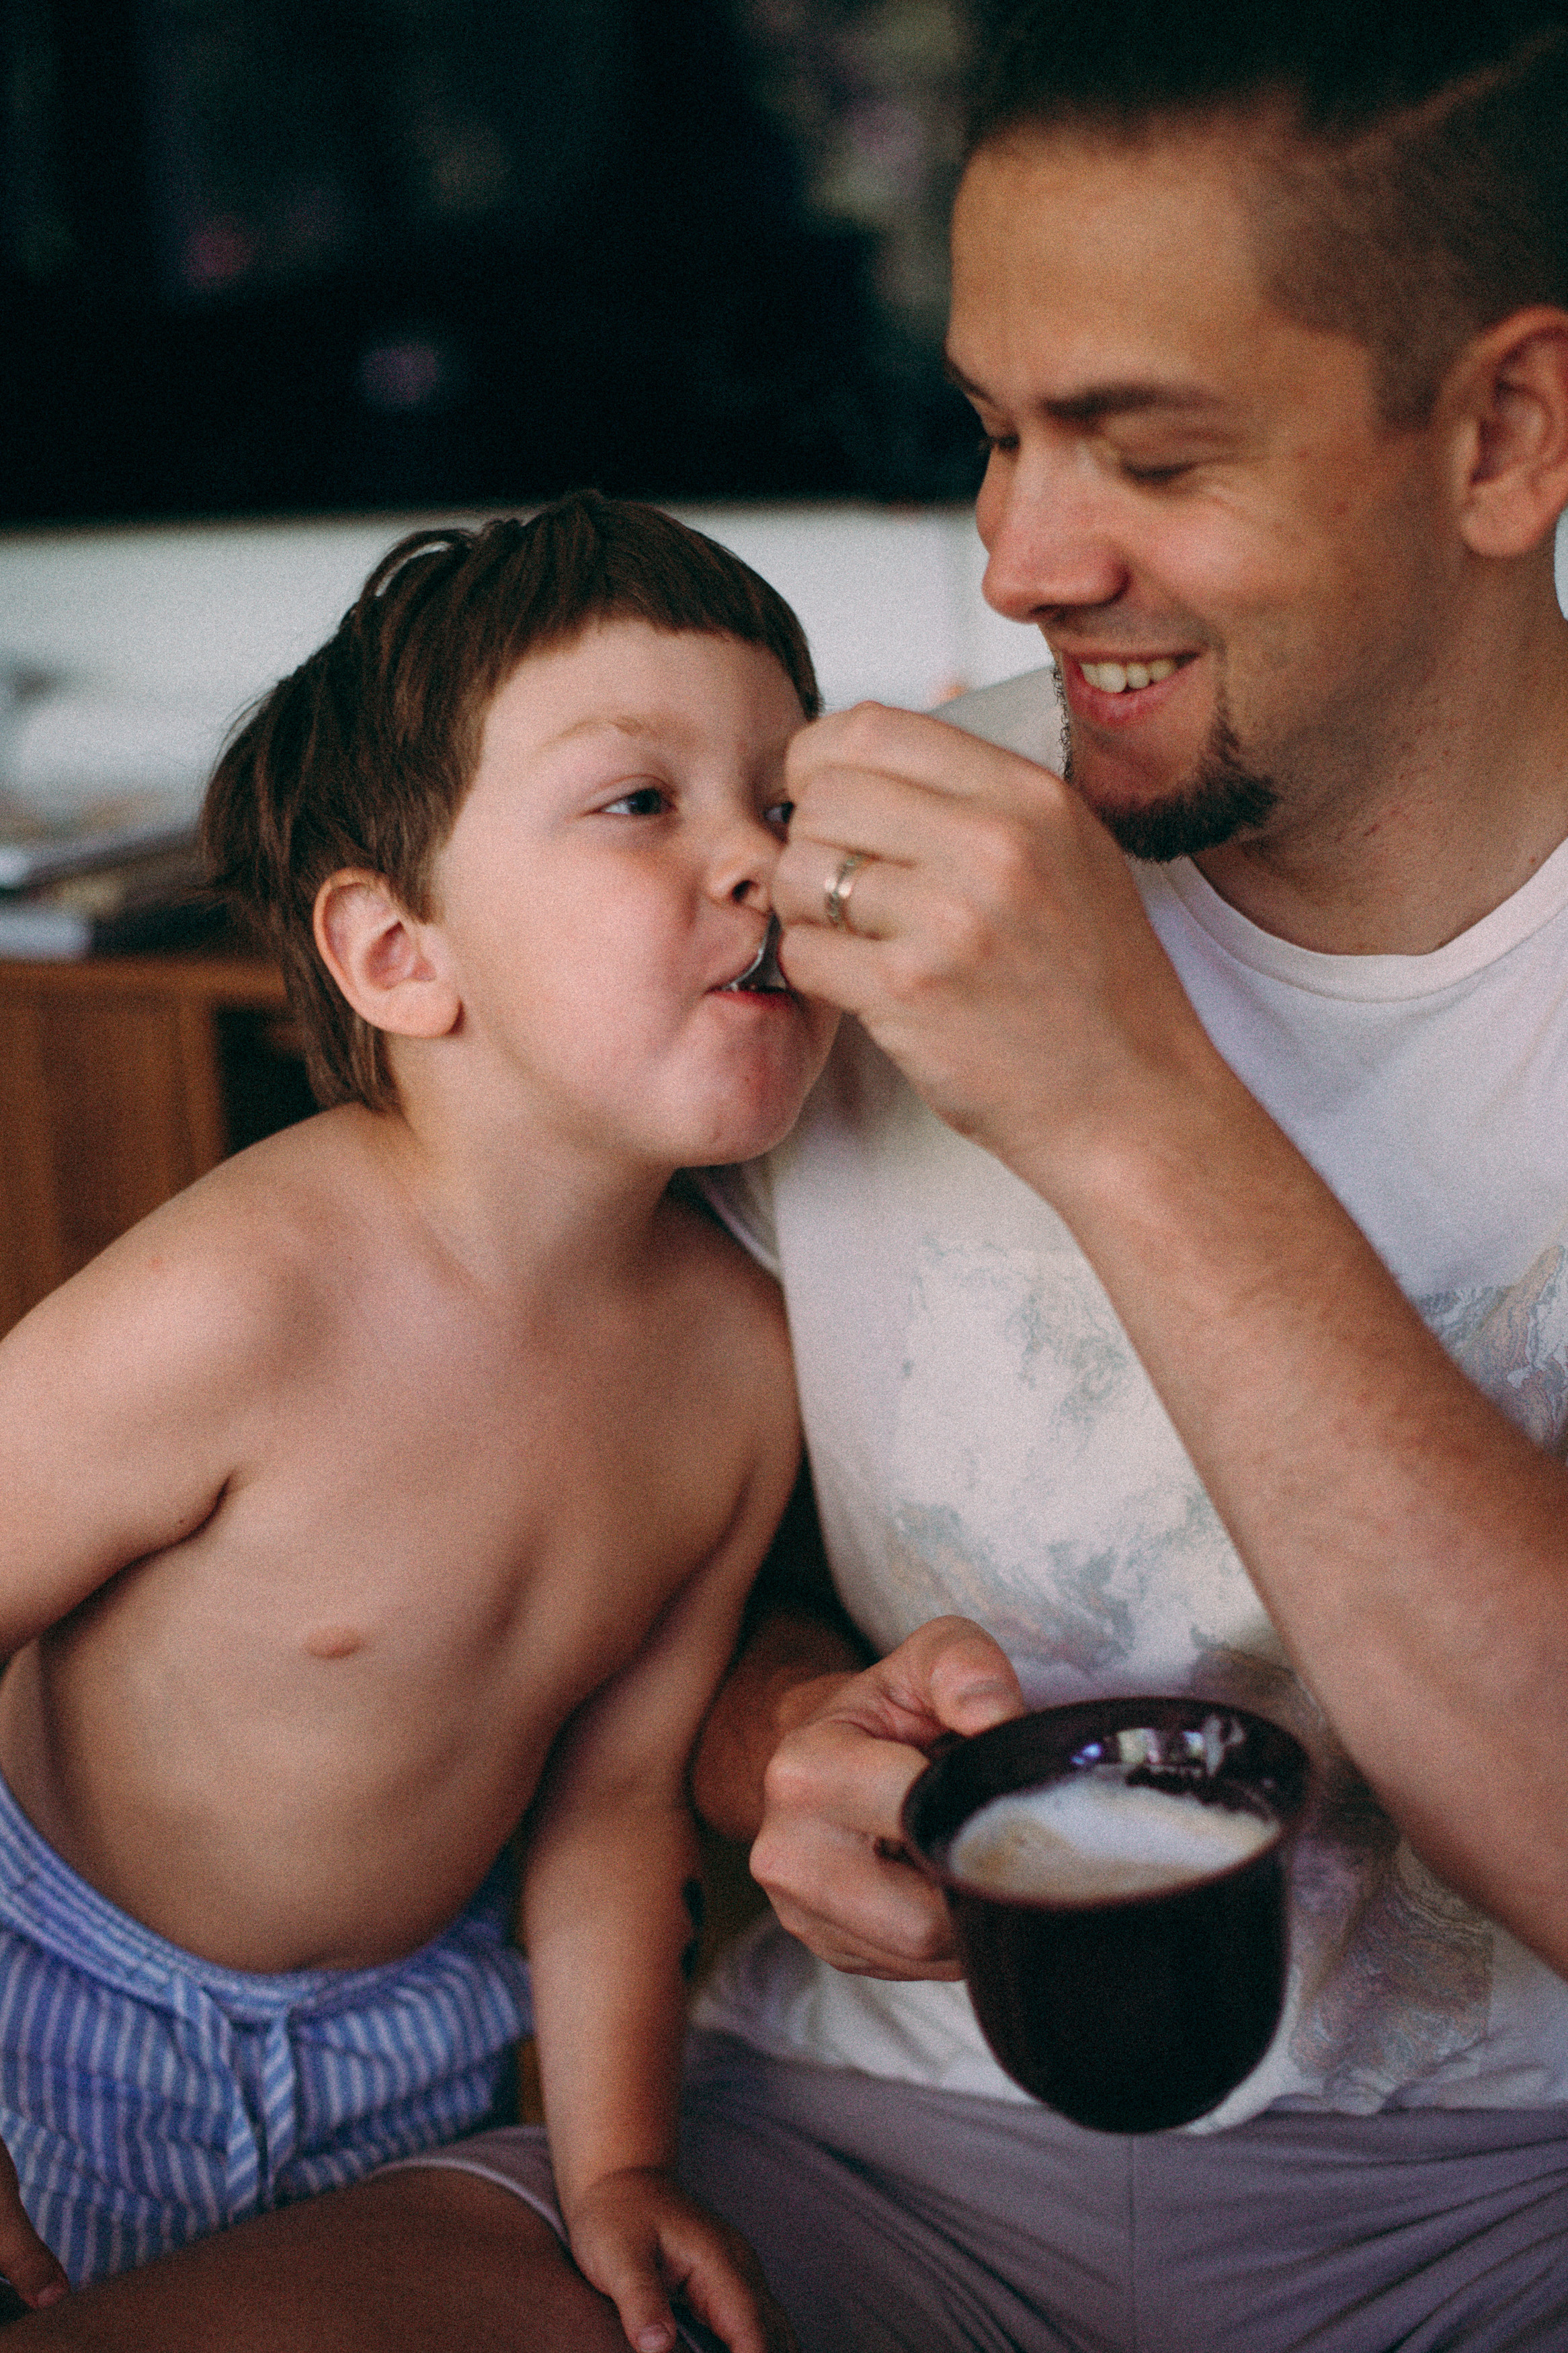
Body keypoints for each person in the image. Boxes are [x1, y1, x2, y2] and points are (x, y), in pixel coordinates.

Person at [11, 0, 1568, 2345]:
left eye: (1144, 451)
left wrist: (1129, 1104)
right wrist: (775, 1746)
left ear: (1506, 433)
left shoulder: (924, 925)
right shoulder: (830, 870)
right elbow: (599, 1540)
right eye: (992, 431)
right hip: (846, 2135)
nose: (1020, 561)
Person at [0, 492, 839, 2351]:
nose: (762, 865)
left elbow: (616, 1796)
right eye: (646, 801)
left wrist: (611, 2165)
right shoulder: (248, 1295)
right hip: (60, 2023)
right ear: (397, 955)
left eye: (789, 804)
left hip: (425, 2040)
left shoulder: (741, 1361)